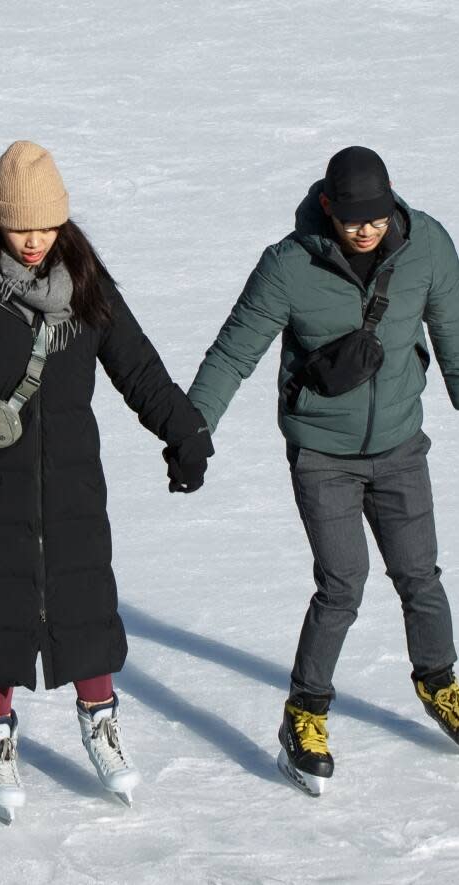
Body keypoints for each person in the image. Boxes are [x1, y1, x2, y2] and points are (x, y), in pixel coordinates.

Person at [0, 141, 212, 822]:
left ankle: (100, 721)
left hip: (71, 482)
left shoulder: (87, 285)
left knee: (82, 602)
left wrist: (185, 430)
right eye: (20, 227)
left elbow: (136, 367)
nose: (32, 241)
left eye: (45, 226)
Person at [187, 145, 459, 797]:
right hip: (322, 455)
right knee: (344, 585)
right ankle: (304, 714)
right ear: (328, 207)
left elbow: (454, 334)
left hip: (398, 445)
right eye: (352, 218)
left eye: (376, 216)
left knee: (420, 573)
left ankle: (440, 683)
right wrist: (191, 429)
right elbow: (233, 352)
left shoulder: (427, 248)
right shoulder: (288, 266)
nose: (365, 230)